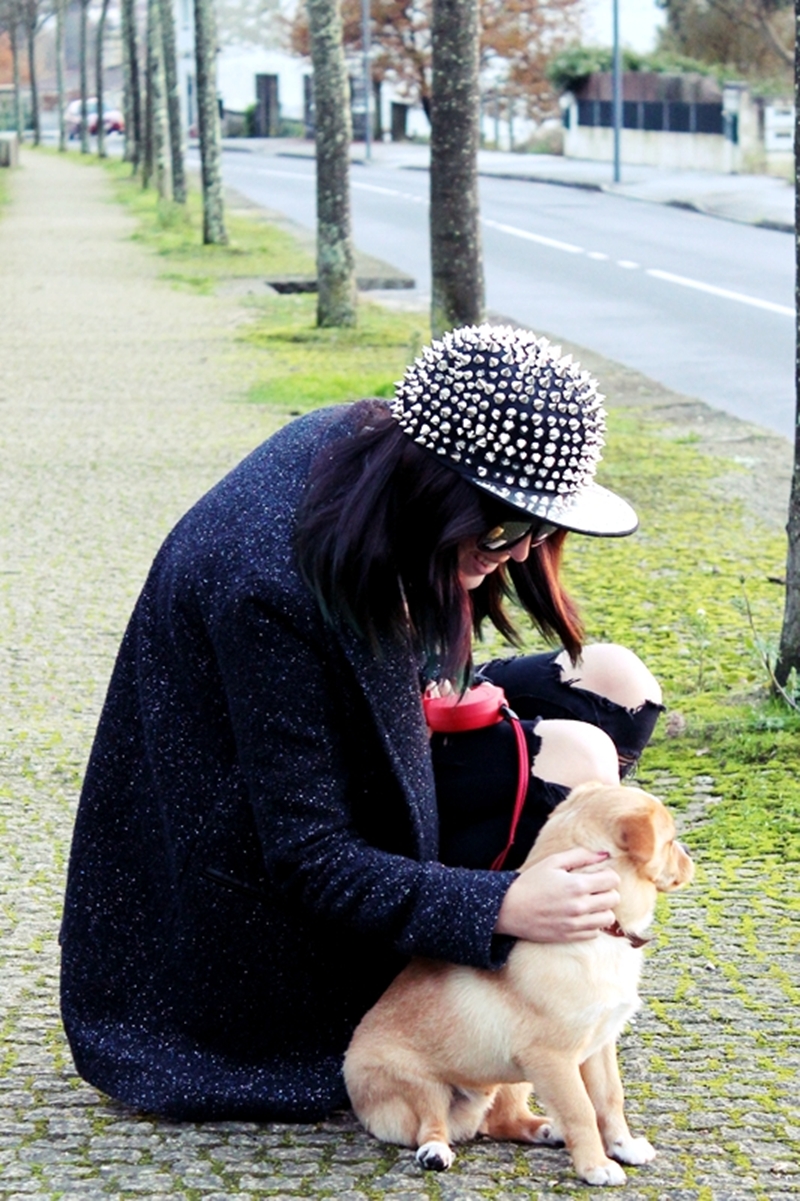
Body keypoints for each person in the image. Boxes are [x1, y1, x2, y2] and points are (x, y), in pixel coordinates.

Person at [59, 324, 663, 1122]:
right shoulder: (267, 585)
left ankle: (541, 977)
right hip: (252, 911)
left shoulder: (369, 451)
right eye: (502, 527)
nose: (521, 554)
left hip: (368, 739)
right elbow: (307, 856)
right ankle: (508, 993)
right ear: (436, 490)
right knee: (578, 754)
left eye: (540, 527)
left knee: (616, 683)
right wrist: (499, 906)